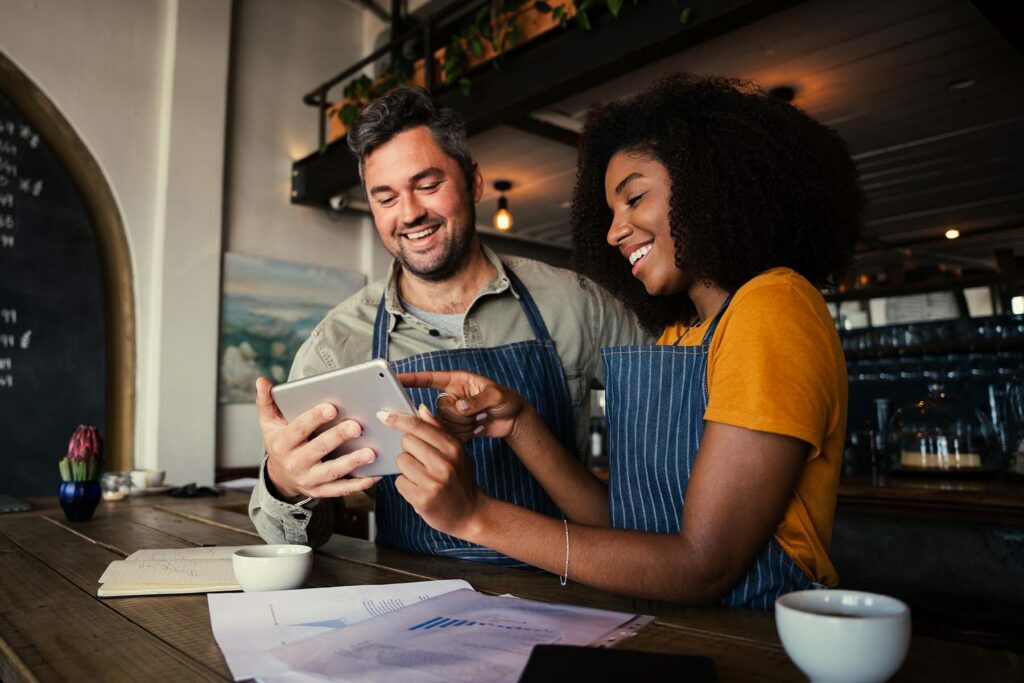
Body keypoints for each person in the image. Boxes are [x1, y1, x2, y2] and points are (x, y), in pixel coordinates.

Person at [378, 74, 863, 607]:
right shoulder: (685, 335)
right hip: (675, 628)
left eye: (634, 198)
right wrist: (519, 423)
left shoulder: (773, 307)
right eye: (610, 212)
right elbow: (628, 530)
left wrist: (475, 516)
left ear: (710, 184)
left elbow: (702, 565)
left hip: (756, 636)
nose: (614, 231)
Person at [249, 86, 650, 563]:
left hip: (576, 589)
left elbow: (671, 446)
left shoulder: (578, 304)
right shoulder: (338, 344)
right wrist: (286, 483)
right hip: (410, 599)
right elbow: (293, 543)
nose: (410, 213)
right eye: (386, 197)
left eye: (428, 184)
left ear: (473, 182)